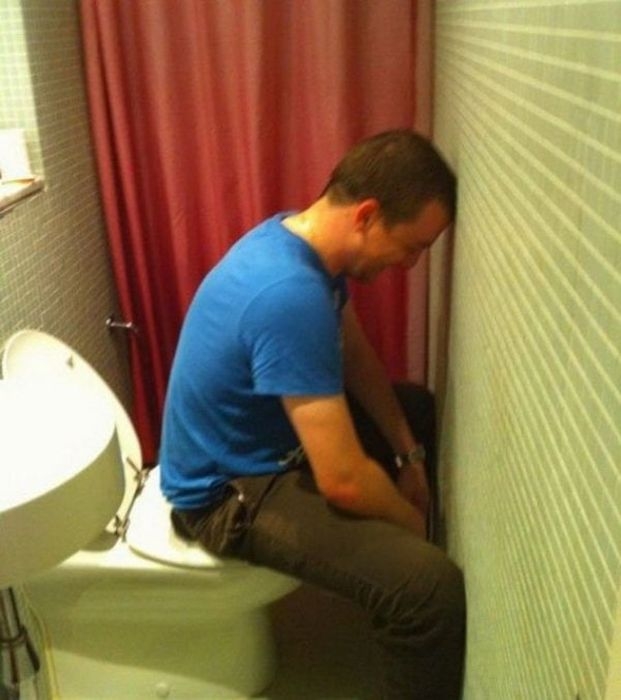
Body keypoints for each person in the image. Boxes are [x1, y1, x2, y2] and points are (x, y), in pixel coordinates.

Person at [159, 129, 466, 699]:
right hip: (225, 494)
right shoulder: (288, 292)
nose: (411, 264)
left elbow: (353, 355)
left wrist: (409, 454)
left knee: (415, 409)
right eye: (412, 246)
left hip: (262, 444)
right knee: (430, 588)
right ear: (367, 215)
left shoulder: (298, 241)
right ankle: (400, 590)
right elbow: (343, 480)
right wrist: (410, 525)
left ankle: (387, 585)